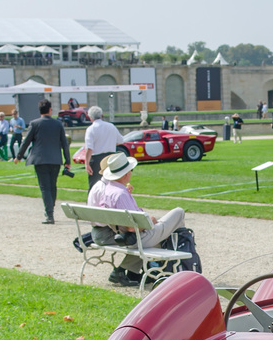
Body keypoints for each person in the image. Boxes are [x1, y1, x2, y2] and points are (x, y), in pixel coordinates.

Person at [87, 152, 186, 287]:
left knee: (162, 227)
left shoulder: (109, 189)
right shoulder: (120, 193)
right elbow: (132, 228)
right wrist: (150, 221)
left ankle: (130, 271)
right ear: (126, 174)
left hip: (119, 234)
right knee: (178, 213)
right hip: (134, 237)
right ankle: (181, 264)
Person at [17, 99, 71, 224]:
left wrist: (19, 156)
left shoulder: (35, 124)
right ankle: (50, 209)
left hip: (40, 159)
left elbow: (26, 141)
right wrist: (67, 160)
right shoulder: (58, 124)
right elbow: (65, 144)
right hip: (55, 159)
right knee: (52, 186)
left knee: (45, 188)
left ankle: (49, 214)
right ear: (50, 110)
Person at [81, 104, 121, 188]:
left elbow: (89, 148)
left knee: (95, 185)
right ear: (101, 115)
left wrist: (87, 163)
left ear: (90, 117)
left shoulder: (91, 129)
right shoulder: (111, 126)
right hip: (111, 158)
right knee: (111, 184)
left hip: (97, 159)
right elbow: (120, 140)